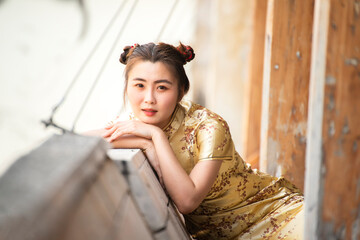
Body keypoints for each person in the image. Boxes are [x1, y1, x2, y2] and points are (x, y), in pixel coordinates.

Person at [87, 42, 304, 239]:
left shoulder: (208, 126)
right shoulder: (135, 123)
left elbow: (187, 201)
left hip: (277, 218)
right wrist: (145, 143)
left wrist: (156, 137)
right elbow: (85, 139)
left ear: (182, 91)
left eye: (162, 87)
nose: (149, 99)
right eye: (139, 85)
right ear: (127, 87)